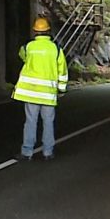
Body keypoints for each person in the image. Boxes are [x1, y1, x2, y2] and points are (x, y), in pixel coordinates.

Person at [13, 17, 68, 161]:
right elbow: (62, 70)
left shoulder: (28, 47)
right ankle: (48, 152)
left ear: (35, 31)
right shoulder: (56, 49)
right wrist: (61, 90)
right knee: (48, 122)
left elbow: (23, 57)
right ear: (48, 31)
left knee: (30, 121)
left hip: (31, 92)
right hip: (48, 94)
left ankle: (27, 152)